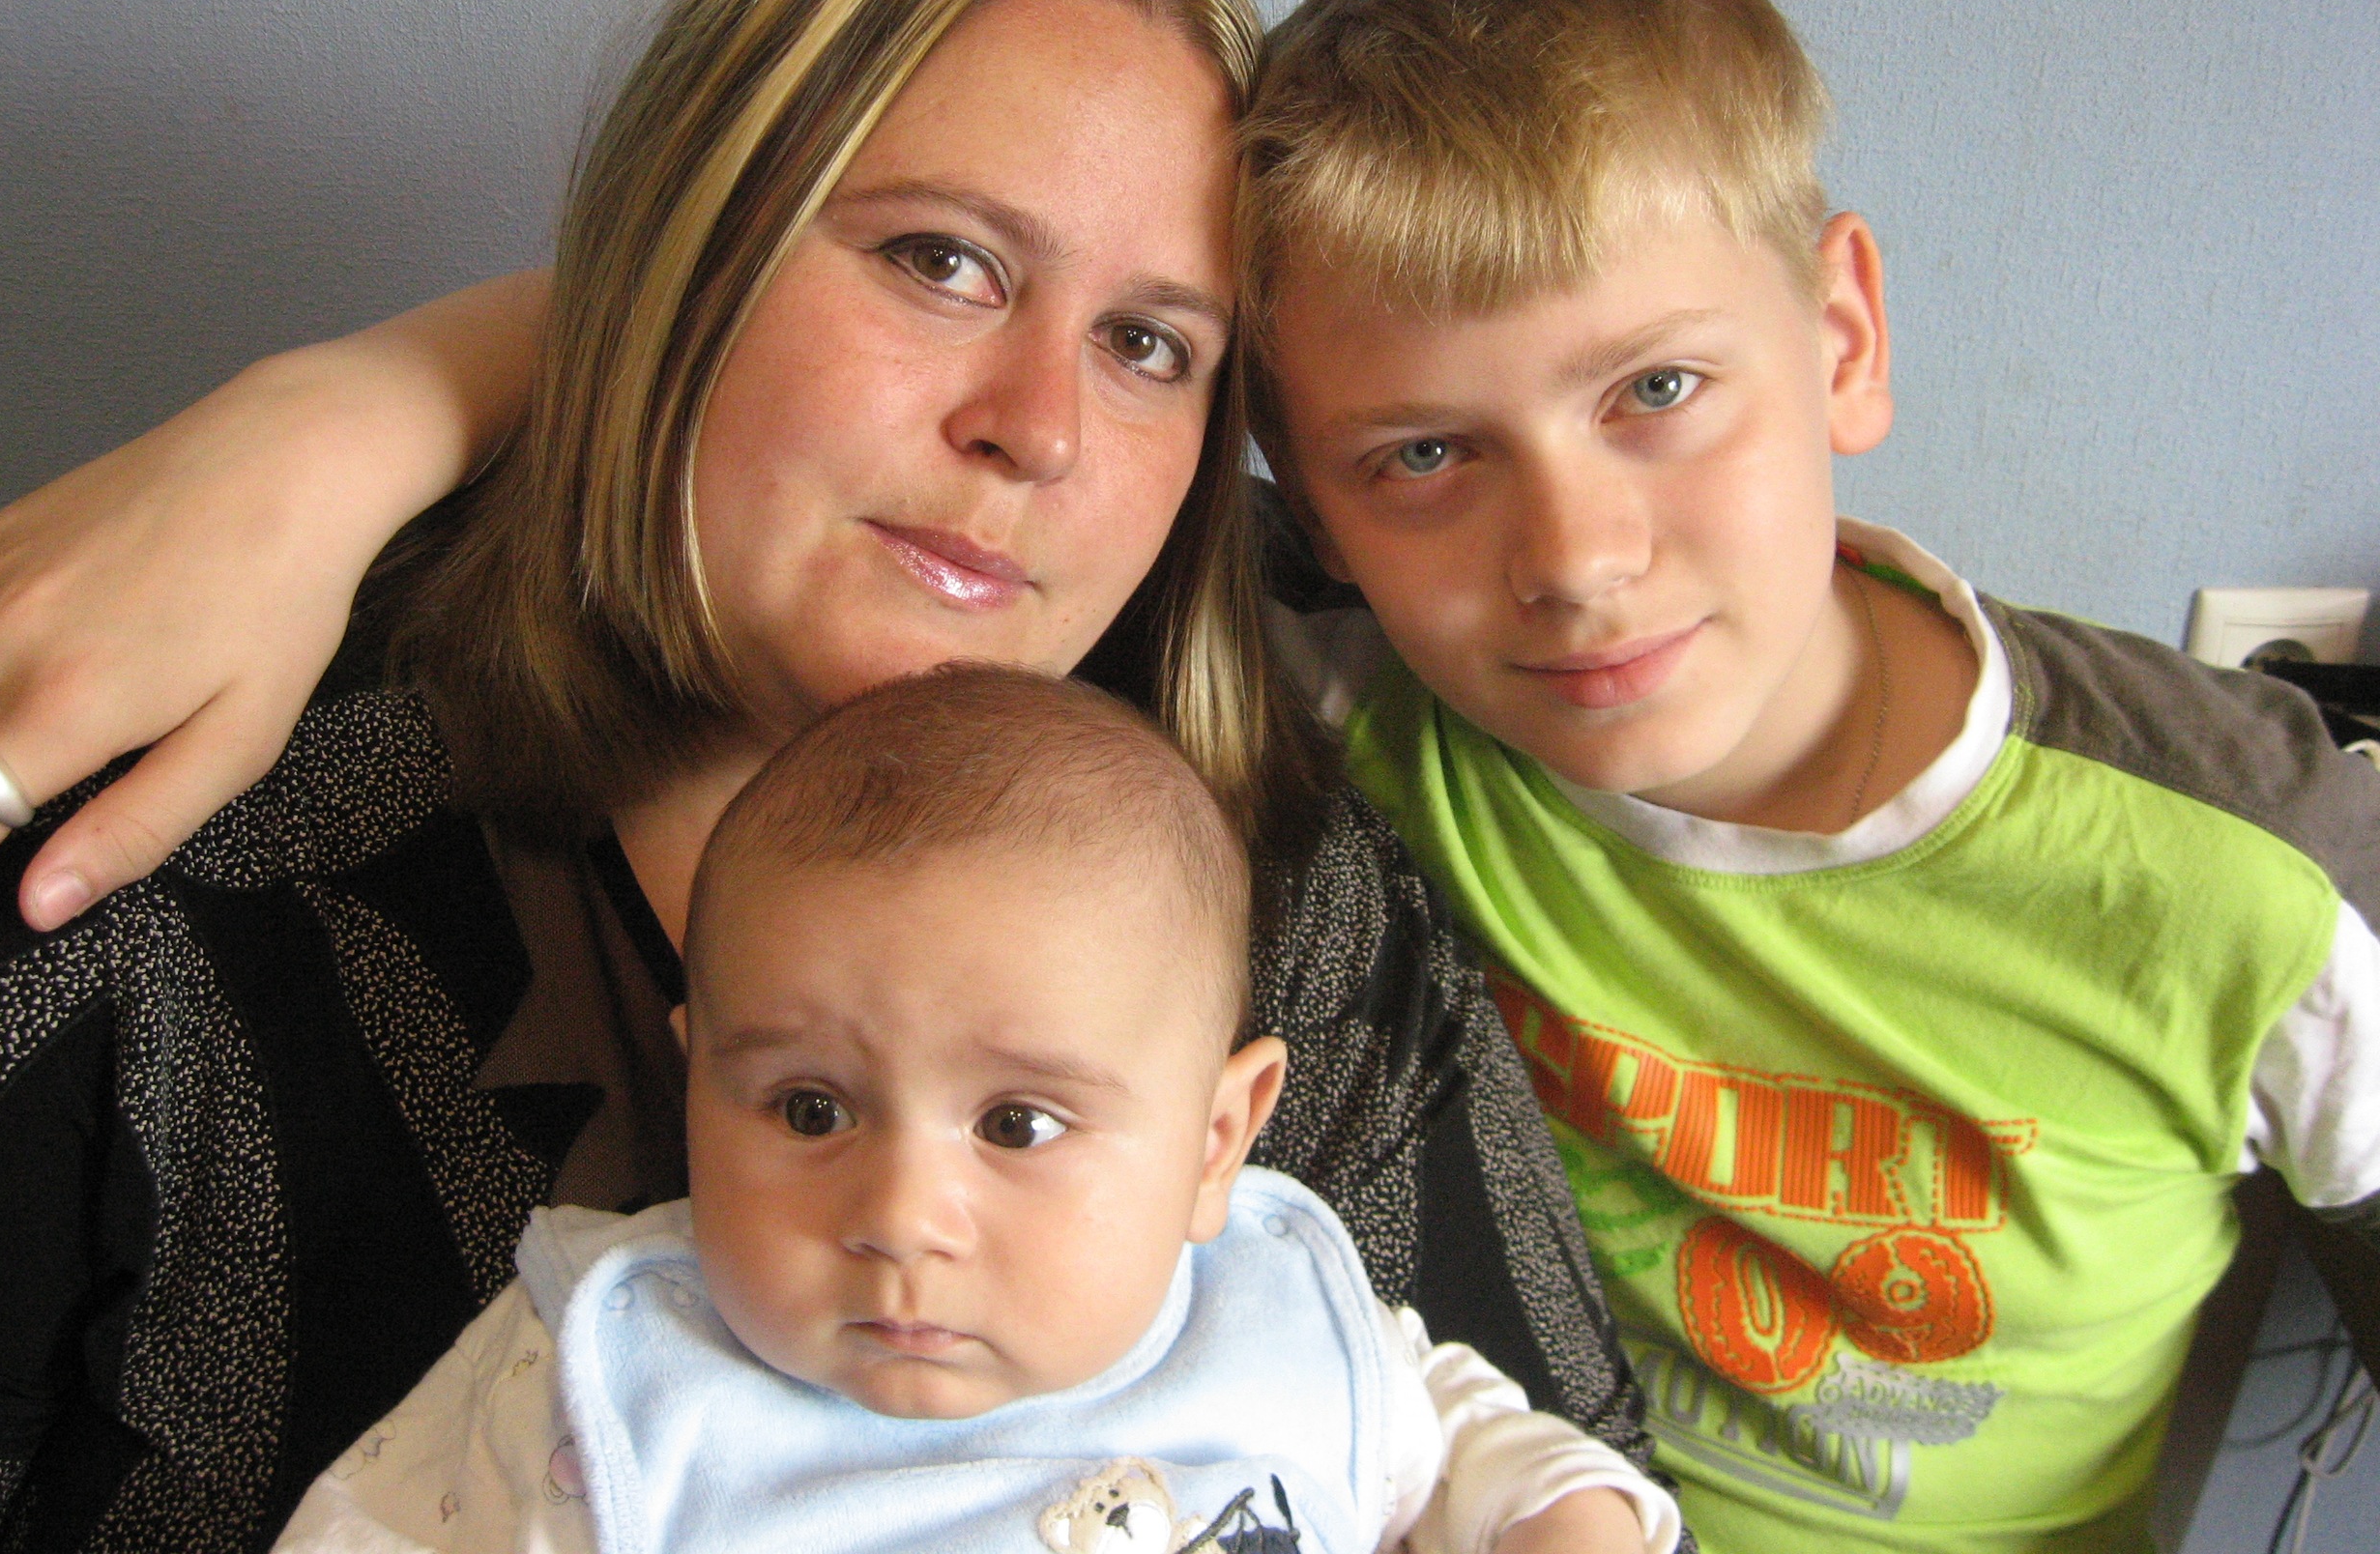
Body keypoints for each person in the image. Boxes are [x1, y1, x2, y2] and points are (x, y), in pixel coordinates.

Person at [0, 0, 1663, 1549]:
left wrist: (376, 396)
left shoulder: (1272, 887)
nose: (1039, 430)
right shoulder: (169, 858)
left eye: (1147, 344)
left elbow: (1549, 1477)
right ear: (690, 247)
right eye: (942, 261)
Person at [1234, 0, 2380, 1551]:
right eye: (1424, 457)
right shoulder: (1336, 692)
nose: (1574, 560)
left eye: (1656, 392)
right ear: (1313, 496)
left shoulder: (2256, 866)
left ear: (1842, 337)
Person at [278, 666, 1682, 1554]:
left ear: (1215, 1144)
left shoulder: (1281, 1320)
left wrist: (1570, 1520)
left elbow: (1469, 1440)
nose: (900, 1219)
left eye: (1017, 1126)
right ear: (698, 1075)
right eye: (810, 1110)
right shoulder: (601, 1374)